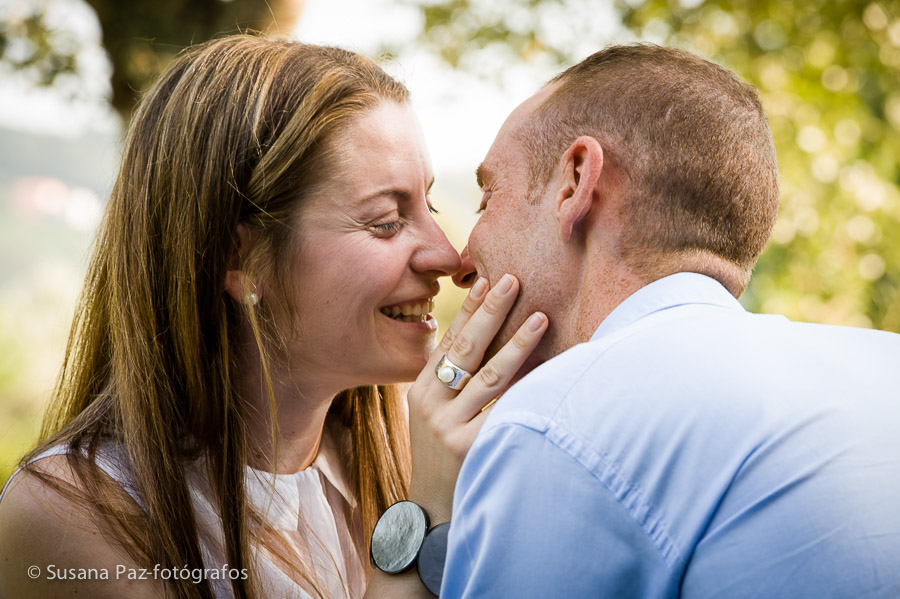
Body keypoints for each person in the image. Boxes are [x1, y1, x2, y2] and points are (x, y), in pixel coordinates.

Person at [0, 35, 547, 599]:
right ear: (241, 260)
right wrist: (422, 525)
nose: (446, 256)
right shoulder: (74, 512)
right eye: (386, 220)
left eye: (428, 205)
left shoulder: (397, 453)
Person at [437, 44, 900, 598]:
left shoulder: (558, 422)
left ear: (575, 181)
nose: (460, 264)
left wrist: (417, 517)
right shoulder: (884, 364)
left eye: (488, 197)